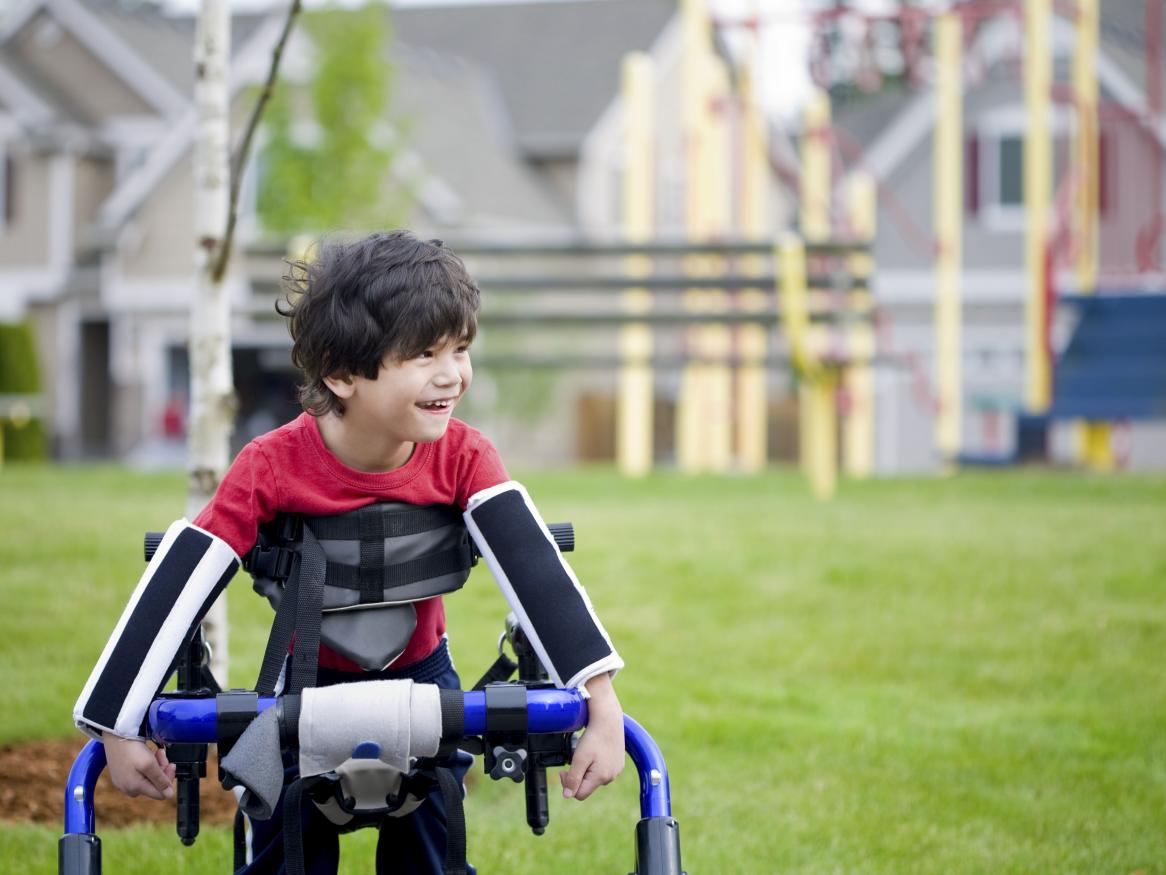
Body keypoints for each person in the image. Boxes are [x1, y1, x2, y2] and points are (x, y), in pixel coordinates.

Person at [73, 231, 625, 874]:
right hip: (302, 692)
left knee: (433, 862)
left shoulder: (464, 456)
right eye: (423, 354)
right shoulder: (269, 465)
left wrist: (602, 702)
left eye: (461, 349)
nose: (452, 374)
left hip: (424, 685)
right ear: (340, 373)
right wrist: (117, 721)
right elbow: (184, 575)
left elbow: (537, 574)